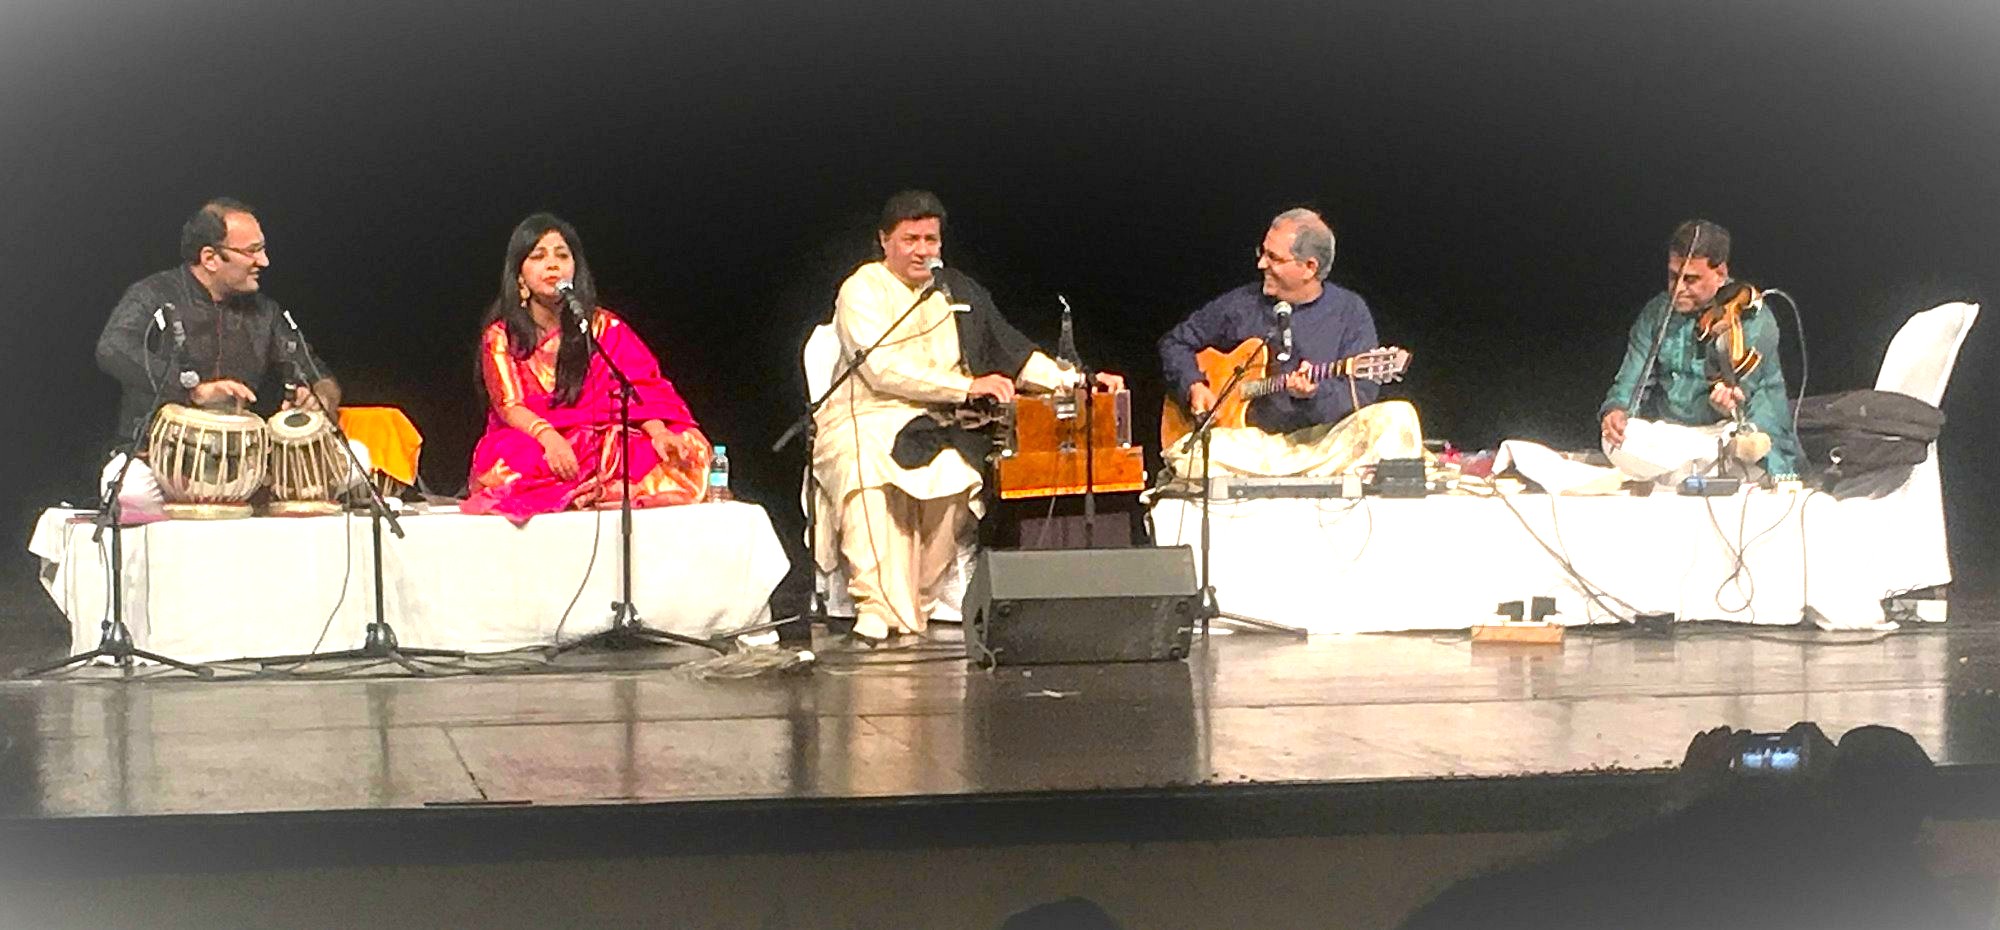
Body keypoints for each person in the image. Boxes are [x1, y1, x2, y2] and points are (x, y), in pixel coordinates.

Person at [810, 190, 1123, 644]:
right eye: (910, 239)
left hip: (938, 421)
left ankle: (917, 596)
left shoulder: (957, 290)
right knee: (864, 466)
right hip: (865, 415)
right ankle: (874, 603)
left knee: (957, 474)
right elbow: (880, 369)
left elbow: (1011, 352)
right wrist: (967, 386)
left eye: (931, 239)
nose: (922, 250)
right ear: (884, 241)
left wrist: (1076, 380)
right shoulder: (861, 288)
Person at [462, 213, 709, 523]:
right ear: (520, 276)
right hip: (535, 438)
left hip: (597, 436)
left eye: (562, 255)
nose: (552, 264)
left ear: (575, 269)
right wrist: (551, 439)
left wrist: (658, 433)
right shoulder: (501, 336)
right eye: (538, 256)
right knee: (515, 459)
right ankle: (593, 488)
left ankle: (600, 491)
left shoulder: (602, 326)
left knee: (686, 445)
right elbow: (509, 406)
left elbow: (637, 387)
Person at [1155, 208, 1421, 479]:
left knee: (1397, 418)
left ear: (1309, 267)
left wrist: (1313, 395)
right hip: (1249, 447)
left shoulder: (1349, 312)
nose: (1261, 264)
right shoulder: (1241, 305)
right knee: (1193, 455)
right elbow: (1175, 343)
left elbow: (1360, 397)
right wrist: (1193, 386)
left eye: (1274, 258)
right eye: (1263, 252)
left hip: (1320, 445)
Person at [96, 198, 340, 449]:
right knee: (133, 490)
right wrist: (192, 389)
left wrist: (319, 397)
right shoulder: (154, 294)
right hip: (154, 450)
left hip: (242, 458)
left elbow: (315, 372)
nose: (264, 261)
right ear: (210, 258)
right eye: (252, 251)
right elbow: (113, 348)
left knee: (357, 458)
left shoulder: (266, 312)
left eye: (262, 249)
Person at [1600, 220, 1803, 481]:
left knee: (1744, 445)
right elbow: (1629, 379)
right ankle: (1684, 470)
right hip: (1678, 439)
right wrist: (1615, 411)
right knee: (1616, 441)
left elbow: (1744, 394)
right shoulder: (1656, 313)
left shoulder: (1753, 317)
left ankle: (1680, 473)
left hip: (1731, 434)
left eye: (1691, 279)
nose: (1679, 288)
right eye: (1674, 276)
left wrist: (1728, 402)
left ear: (1720, 273)